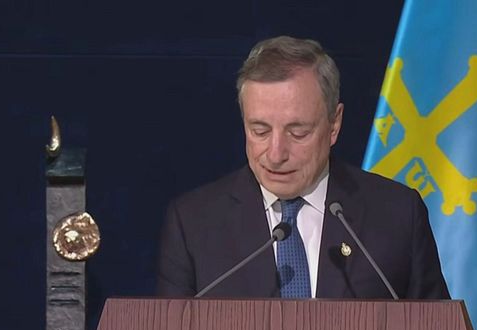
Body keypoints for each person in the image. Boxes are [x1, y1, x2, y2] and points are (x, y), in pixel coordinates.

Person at [156, 36, 449, 299]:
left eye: (298, 132)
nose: (276, 154)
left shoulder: (397, 215)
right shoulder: (194, 224)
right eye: (260, 131)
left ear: (334, 124)